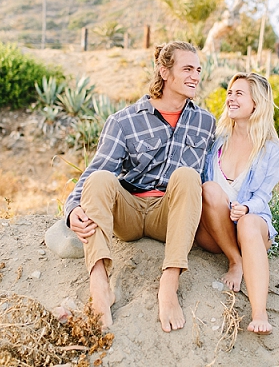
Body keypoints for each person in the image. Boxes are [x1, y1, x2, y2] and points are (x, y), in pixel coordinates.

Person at [65, 41, 216, 332]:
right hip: (130, 213)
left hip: (169, 216)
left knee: (187, 176)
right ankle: (100, 287)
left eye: (198, 70)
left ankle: (168, 286)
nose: (195, 76)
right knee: (100, 179)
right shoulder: (124, 121)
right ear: (164, 71)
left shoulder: (205, 123)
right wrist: (72, 209)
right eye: (187, 69)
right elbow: (95, 171)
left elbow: (218, 173)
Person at [195, 72, 279, 334]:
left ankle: (259, 314)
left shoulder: (270, 149)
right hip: (216, 232)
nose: (231, 98)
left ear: (256, 102)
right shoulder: (217, 139)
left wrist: (246, 208)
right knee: (209, 189)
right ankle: (236, 261)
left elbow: (263, 196)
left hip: (251, 228)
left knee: (247, 223)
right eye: (230, 93)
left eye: (239, 94)